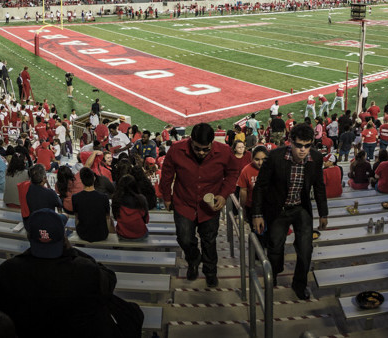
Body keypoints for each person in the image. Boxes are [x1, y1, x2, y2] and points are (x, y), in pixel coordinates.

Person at [0, 209, 140, 338]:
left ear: (29, 237)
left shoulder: (5, 272)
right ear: (64, 239)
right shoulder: (84, 270)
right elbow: (109, 279)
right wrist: (72, 252)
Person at [252, 123, 328, 300]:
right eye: (299, 145)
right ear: (291, 142)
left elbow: (319, 186)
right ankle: (274, 274)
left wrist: (323, 213)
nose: (303, 150)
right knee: (275, 248)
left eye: (307, 145)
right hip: (279, 209)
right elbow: (260, 186)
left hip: (301, 208)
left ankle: (299, 284)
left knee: (306, 249)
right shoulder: (275, 157)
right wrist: (257, 214)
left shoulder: (316, 158)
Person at [159, 123, 240, 288]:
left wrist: (224, 195)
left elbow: (233, 173)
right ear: (190, 141)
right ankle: (194, 259)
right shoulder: (176, 150)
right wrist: (167, 197)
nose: (201, 153)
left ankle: (210, 271)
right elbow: (167, 175)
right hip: (184, 202)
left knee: (209, 240)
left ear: (212, 143)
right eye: (197, 149)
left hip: (209, 206)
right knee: (184, 238)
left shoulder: (224, 151)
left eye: (205, 149)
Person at [72, 166, 114, 243]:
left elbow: (77, 218)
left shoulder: (75, 197)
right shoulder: (104, 197)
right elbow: (107, 217)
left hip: (83, 234)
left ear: (81, 180)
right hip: (101, 234)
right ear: (94, 178)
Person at [111, 175, 149, 240]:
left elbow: (115, 217)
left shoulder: (116, 199)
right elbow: (146, 220)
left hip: (122, 234)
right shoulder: (141, 199)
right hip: (140, 235)